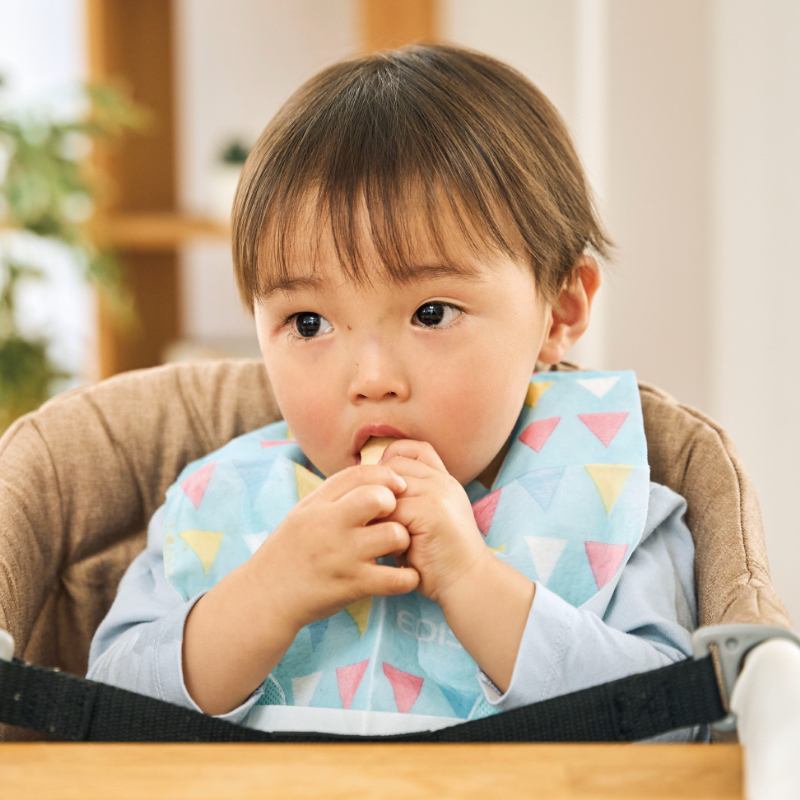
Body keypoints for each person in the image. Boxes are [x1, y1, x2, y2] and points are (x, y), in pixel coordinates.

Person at [88, 43, 703, 740]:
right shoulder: (213, 506)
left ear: (559, 309)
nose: (372, 380)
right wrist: (265, 593)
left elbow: (677, 733)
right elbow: (102, 714)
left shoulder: (607, 494)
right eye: (309, 322)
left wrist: (475, 584)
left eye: (431, 314)